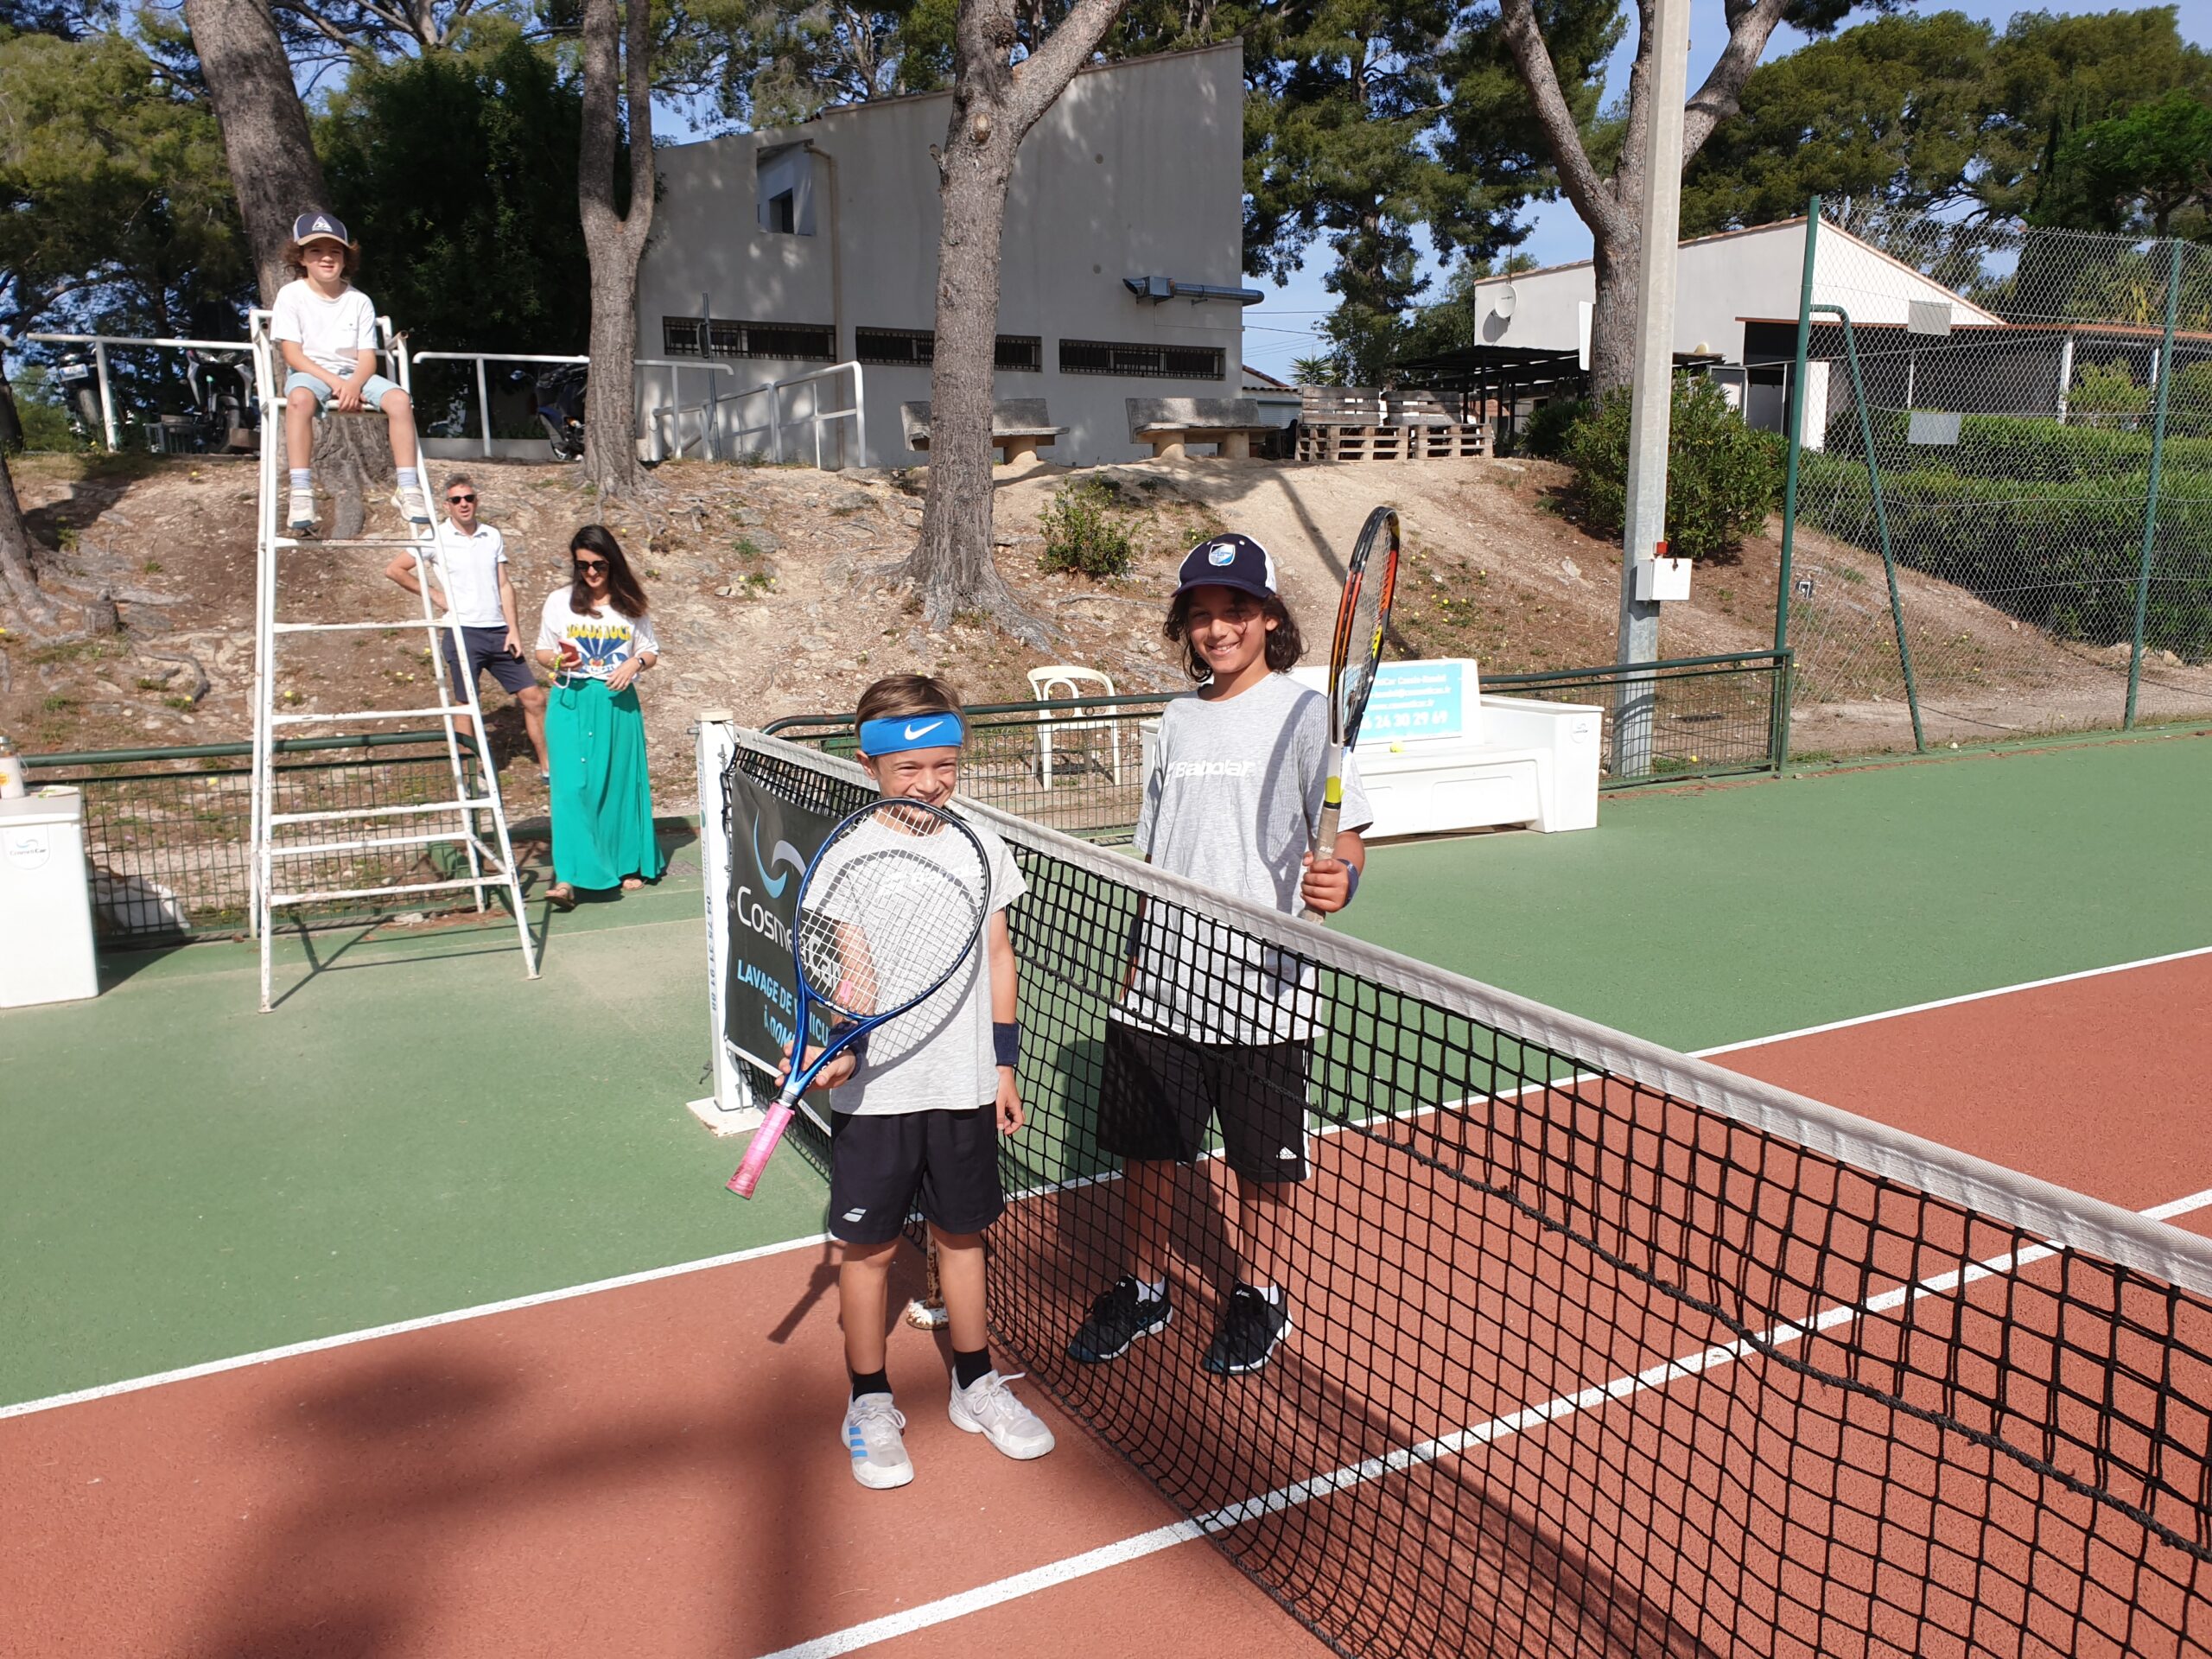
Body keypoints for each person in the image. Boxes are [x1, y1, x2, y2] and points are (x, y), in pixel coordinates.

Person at [1068, 533, 1371, 1377]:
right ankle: (1144, 1286)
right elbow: (1155, 851)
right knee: (1149, 1157)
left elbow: (1346, 834)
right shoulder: (1174, 719)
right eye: (1200, 615)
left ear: (1268, 617)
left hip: (1264, 994)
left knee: (1260, 1170)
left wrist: (1341, 876)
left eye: (1234, 611)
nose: (1217, 629)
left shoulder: (1309, 715)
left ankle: (1260, 1294)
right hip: (1161, 988)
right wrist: (1134, 965)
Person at [786, 673, 1053, 1491]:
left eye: (946, 765)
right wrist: (840, 1044)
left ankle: (975, 1384)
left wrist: (1003, 1062)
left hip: (967, 1083)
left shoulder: (981, 842)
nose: (930, 784)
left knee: (963, 1238)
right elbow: (856, 978)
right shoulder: (849, 853)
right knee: (863, 1252)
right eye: (911, 769)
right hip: (881, 1095)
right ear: (871, 765)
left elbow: (999, 956)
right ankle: (869, 1400)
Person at [270, 212, 430, 535]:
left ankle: (408, 488)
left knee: (400, 400)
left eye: (335, 252)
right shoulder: (291, 295)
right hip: (312, 372)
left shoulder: (359, 301)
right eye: (316, 251)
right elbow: (293, 354)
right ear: (301, 258)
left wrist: (353, 385)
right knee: (299, 399)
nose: (326, 258)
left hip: (354, 374)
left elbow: (367, 359)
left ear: (346, 258)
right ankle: (302, 491)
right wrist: (338, 385)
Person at [383, 475, 550, 781]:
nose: (464, 505)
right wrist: (434, 595)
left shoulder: (492, 535)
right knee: (467, 704)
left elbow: (503, 584)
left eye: (469, 498)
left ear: (477, 501)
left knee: (534, 698)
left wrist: (513, 629)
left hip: (499, 631)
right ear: (447, 505)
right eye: (457, 500)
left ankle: (549, 768)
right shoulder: (434, 536)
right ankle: (472, 775)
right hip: (463, 632)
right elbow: (395, 569)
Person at [533, 525, 663, 910]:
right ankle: (569, 877)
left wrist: (635, 663)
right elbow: (541, 651)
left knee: (618, 785)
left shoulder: (629, 605)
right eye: (582, 565)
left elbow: (651, 651)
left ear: (612, 563)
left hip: (616, 702)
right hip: (570, 700)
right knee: (570, 788)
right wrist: (559, 660)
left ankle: (625, 863)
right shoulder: (559, 602)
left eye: (598, 565)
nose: (590, 572)